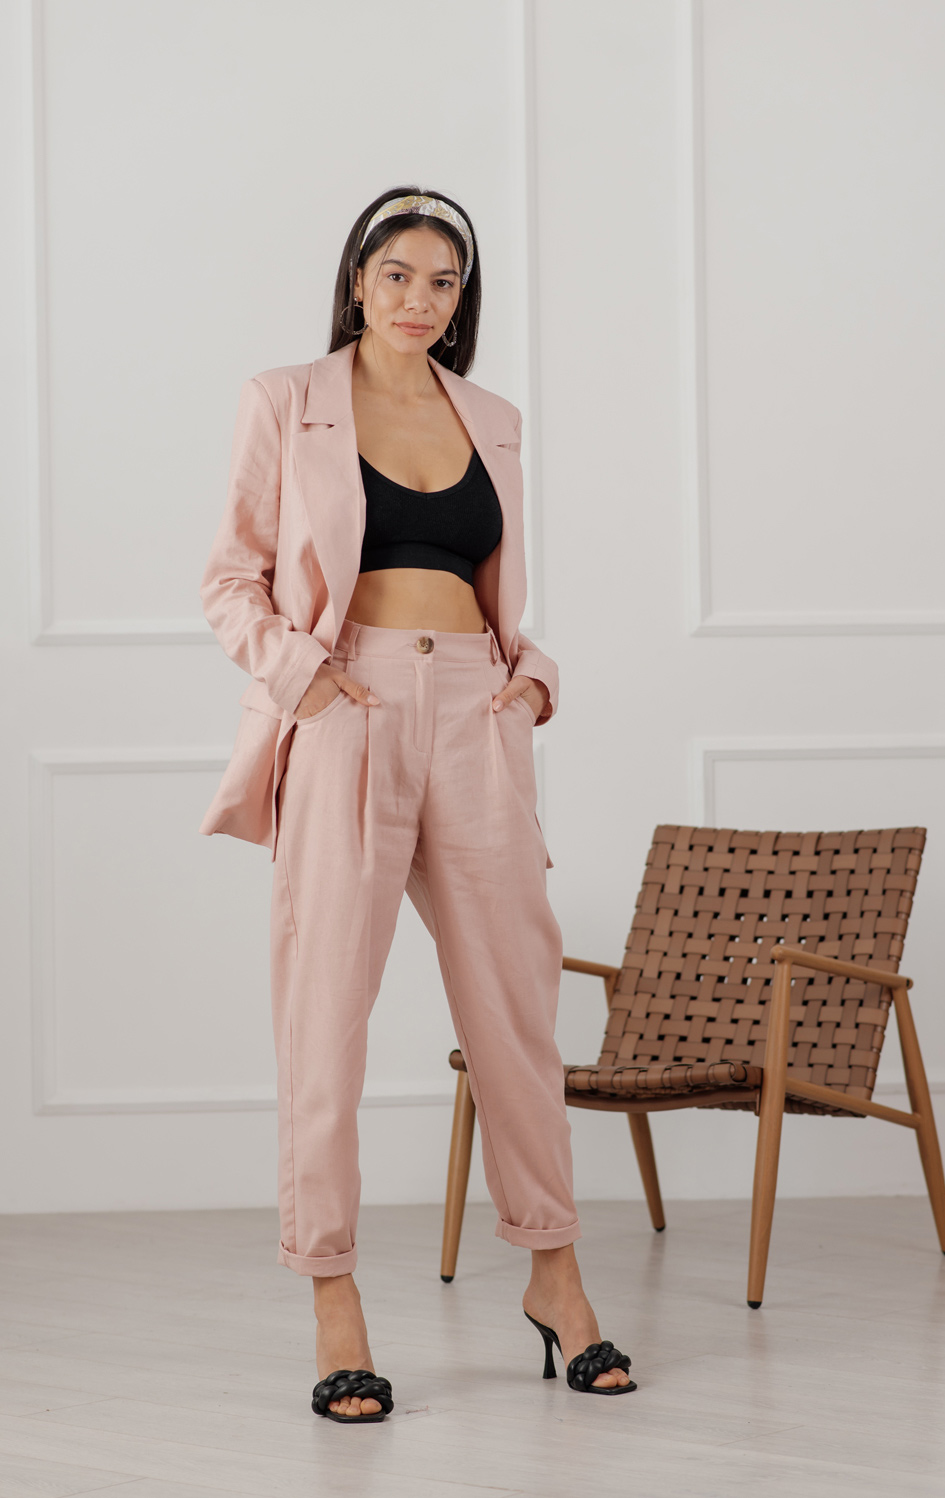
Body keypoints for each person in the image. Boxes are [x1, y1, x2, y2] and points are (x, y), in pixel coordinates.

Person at [199, 186, 636, 1422]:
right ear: (356, 280)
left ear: (461, 299)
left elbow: (496, 594)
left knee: (516, 1008)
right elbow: (230, 577)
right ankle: (333, 1294)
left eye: (442, 281)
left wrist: (531, 683)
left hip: (477, 717)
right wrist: (307, 681)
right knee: (325, 1011)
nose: (417, 298)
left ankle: (554, 1273)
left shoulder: (491, 418)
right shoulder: (287, 399)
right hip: (350, 708)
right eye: (395, 273)